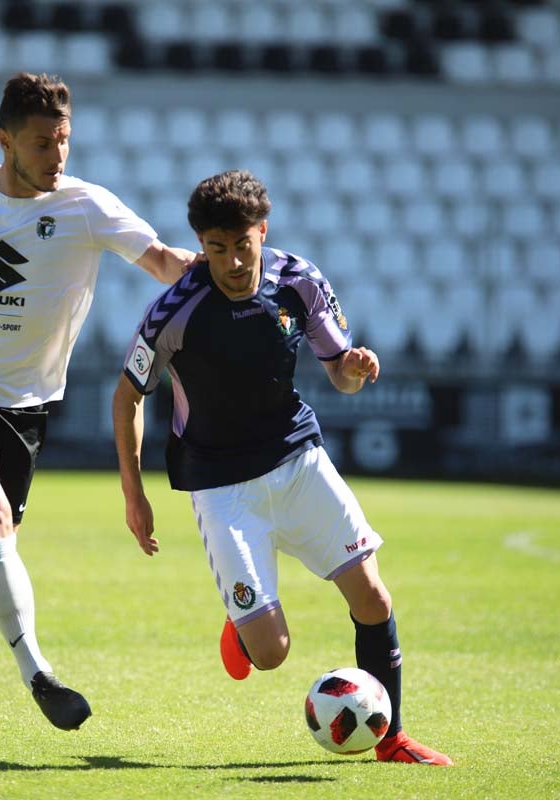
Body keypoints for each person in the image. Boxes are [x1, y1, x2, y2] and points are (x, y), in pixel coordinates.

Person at [0, 72, 198, 732]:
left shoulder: (87, 207)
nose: (57, 156)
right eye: (42, 142)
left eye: (64, 141)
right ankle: (39, 675)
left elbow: (164, 261)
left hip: (25, 408)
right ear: (4, 140)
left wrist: (230, 273)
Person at [111, 170, 452, 764]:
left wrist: (355, 367)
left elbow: (339, 375)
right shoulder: (175, 309)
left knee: (372, 596)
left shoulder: (297, 281)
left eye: (242, 245)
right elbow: (126, 397)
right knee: (270, 653)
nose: (233, 262)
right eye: (217, 249)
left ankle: (391, 739)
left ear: (261, 232)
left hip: (298, 463)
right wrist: (133, 496)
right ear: (201, 243)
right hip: (222, 489)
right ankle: (245, 624)